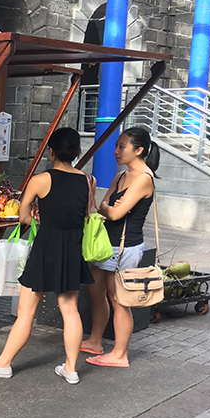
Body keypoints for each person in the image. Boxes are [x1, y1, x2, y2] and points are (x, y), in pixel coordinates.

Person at [0, 128, 94, 385]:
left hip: (46, 247)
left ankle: (3, 364)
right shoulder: (88, 180)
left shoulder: (40, 180)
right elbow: (84, 214)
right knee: (70, 310)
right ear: (77, 151)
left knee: (26, 312)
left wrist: (38, 214)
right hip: (72, 248)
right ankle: (71, 369)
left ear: (51, 152)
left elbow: (23, 217)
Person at [80, 127, 160, 368]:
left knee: (119, 300)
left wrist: (109, 209)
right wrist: (109, 208)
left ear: (139, 150)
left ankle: (120, 354)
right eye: (116, 145)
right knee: (95, 292)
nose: (116, 151)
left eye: (122, 146)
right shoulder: (121, 176)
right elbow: (103, 206)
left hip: (125, 247)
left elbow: (114, 213)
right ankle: (95, 341)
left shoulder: (144, 178)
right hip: (106, 244)